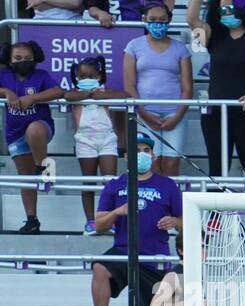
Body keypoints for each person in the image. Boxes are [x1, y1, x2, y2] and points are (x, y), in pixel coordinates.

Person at [87, 132, 183, 306]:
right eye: (137, 150)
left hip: (155, 255)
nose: (142, 154)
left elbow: (186, 221)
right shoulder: (115, 185)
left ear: (154, 155)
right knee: (100, 268)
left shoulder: (168, 185)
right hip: (123, 250)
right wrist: (118, 211)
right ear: (126, 157)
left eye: (146, 150)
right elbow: (99, 224)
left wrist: (174, 221)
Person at [188, 1, 245, 234]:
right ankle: (216, 215)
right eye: (223, 9)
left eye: (232, 9)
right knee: (218, 165)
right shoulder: (216, 35)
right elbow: (193, 21)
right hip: (217, 112)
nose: (228, 14)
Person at [125, 4, 194, 179]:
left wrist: (177, 116)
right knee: (150, 163)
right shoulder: (134, 46)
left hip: (174, 114)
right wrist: (144, 113)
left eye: (162, 20)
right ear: (144, 20)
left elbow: (187, 88)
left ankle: (170, 204)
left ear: (169, 20)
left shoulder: (180, 48)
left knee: (171, 164)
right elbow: (129, 85)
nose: (158, 24)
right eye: (153, 20)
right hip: (145, 113)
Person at [1, 41, 62, 235]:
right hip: (14, 134)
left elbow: (58, 91)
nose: (22, 61)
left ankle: (44, 166)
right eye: (18, 58)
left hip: (41, 128)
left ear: (34, 58)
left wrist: (33, 98)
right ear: (9, 60)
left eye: (27, 58)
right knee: (25, 178)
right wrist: (5, 91)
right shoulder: (3, 75)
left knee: (34, 129)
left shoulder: (41, 75)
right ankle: (32, 220)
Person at [63, 57, 122, 237]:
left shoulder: (106, 92)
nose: (87, 79)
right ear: (76, 77)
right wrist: (88, 94)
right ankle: (90, 221)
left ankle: (108, 220)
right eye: (82, 76)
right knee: (89, 181)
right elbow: (67, 97)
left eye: (91, 75)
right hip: (85, 140)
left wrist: (101, 95)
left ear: (99, 75)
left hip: (107, 140)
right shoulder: (75, 93)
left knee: (110, 181)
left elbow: (126, 95)